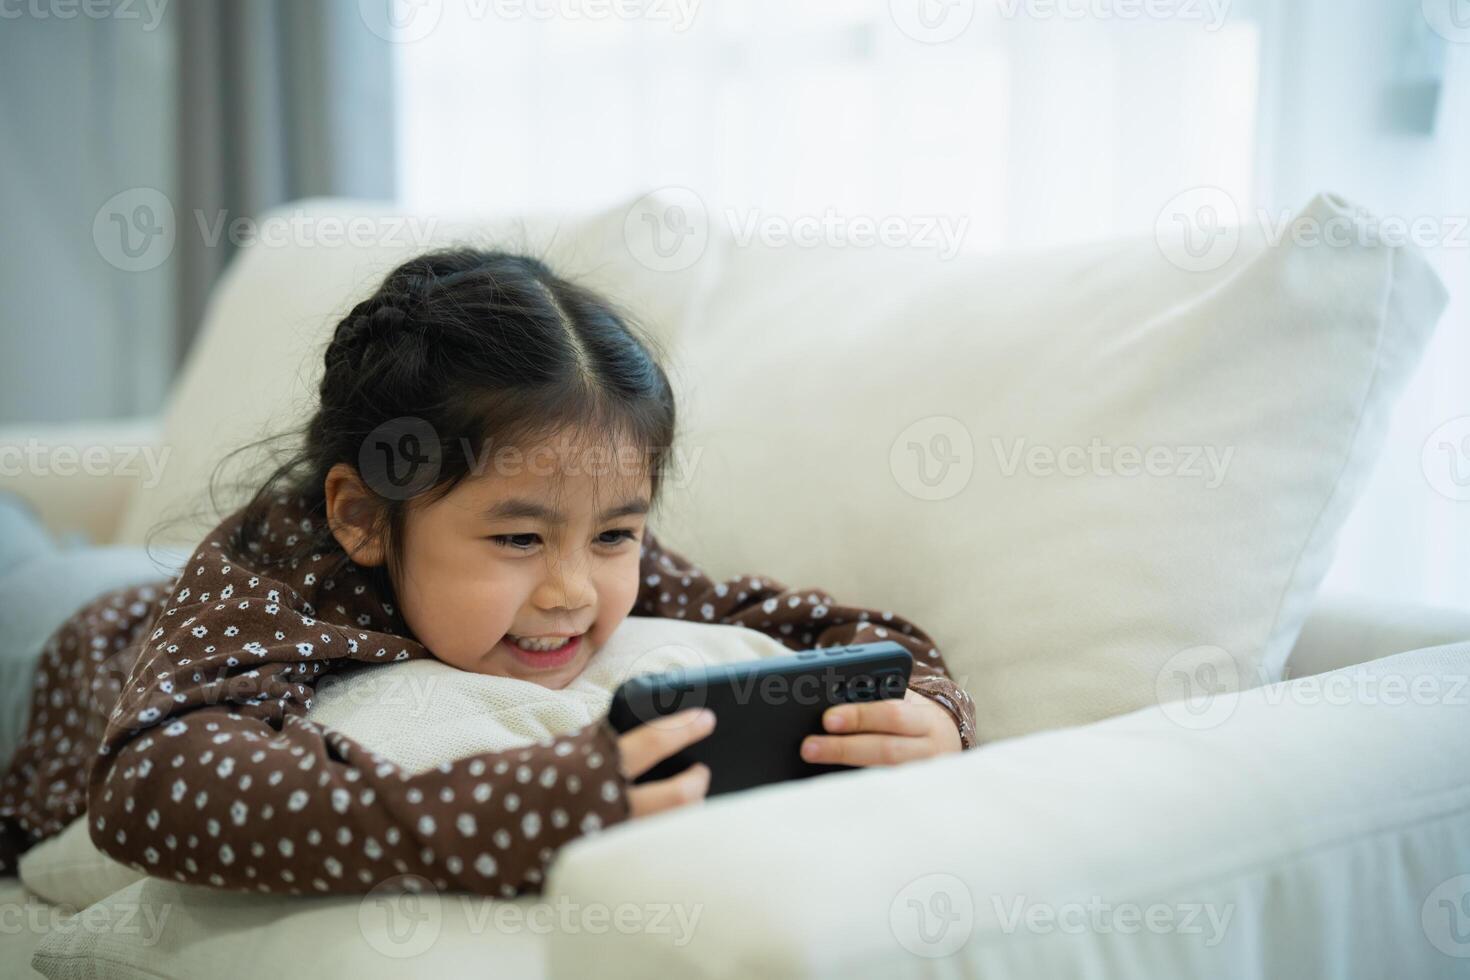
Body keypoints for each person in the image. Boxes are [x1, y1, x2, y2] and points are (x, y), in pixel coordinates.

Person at [0, 248, 977, 897]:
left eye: (616, 535)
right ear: (362, 516)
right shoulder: (273, 568)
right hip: (58, 632)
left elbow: (818, 625)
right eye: (517, 540)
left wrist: (923, 706)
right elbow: (149, 786)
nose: (573, 591)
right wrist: (530, 805)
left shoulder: (588, 551)